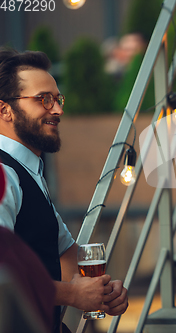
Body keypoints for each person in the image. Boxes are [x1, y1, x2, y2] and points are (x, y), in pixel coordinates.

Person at [0, 48, 129, 333]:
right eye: (43, 100)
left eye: (58, 99)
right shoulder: (4, 174)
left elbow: (65, 250)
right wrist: (74, 295)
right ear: (4, 110)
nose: (57, 110)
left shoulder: (28, 170)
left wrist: (102, 290)